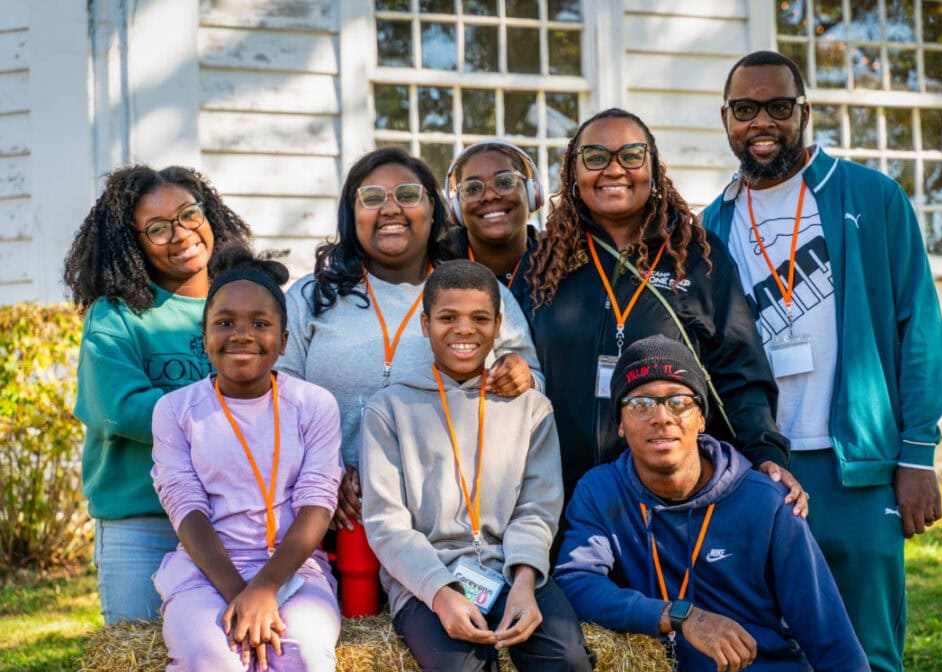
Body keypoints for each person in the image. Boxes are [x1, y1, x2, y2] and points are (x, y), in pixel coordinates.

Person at [699, 50, 942, 672]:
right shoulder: (709, 225)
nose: (763, 122)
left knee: (870, 654)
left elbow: (919, 328)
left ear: (803, 113)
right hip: (758, 469)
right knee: (781, 655)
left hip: (857, 468)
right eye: (745, 108)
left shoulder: (870, 196)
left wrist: (917, 452)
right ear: (725, 119)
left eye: (779, 106)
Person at [555, 335, 881, 672]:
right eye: (641, 403)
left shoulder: (765, 500)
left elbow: (827, 629)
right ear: (621, 425)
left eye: (678, 402)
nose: (662, 417)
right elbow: (576, 583)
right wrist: (679, 616)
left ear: (701, 418)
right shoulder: (601, 490)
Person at [522, 107, 803, 509]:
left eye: (631, 155)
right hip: (562, 498)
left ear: (653, 167)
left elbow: (740, 372)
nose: (614, 169)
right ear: (572, 172)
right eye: (595, 157)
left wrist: (766, 455)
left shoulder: (697, 259)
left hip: (677, 498)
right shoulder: (545, 262)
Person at [360, 260, 602, 672]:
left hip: (512, 569)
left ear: (499, 325)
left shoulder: (531, 408)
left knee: (569, 661)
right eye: (448, 317)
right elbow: (387, 524)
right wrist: (440, 593)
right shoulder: (388, 409)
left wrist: (527, 582)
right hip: (427, 577)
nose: (463, 330)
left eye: (480, 318)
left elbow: (538, 506)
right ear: (425, 323)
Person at [276, 147, 543, 532]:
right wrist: (322, 472)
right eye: (371, 198)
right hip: (326, 523)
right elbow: (274, 399)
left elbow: (536, 385)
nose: (390, 209)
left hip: (446, 528)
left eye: (406, 195)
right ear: (351, 215)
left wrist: (522, 376)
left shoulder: (474, 288)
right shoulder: (309, 297)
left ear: (434, 210)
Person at [151, 245, 343, 672]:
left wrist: (267, 588)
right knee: (207, 658)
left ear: (283, 338)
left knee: (304, 658)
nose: (243, 335)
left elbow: (317, 503)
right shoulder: (175, 411)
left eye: (260, 323)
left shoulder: (314, 404)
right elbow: (186, 506)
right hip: (205, 571)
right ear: (204, 335)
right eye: (225, 322)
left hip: (295, 569)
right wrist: (242, 594)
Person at [63, 165, 251, 624]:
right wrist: (233, 416)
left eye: (189, 214)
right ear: (134, 243)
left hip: (236, 519)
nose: (180, 233)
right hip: (144, 524)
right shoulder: (117, 315)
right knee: (143, 671)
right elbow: (121, 409)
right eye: (157, 228)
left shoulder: (245, 302)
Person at [441, 140, 543, 297]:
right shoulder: (432, 269)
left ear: (532, 193)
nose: (489, 195)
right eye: (472, 188)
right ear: (456, 208)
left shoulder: (560, 265)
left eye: (504, 181)